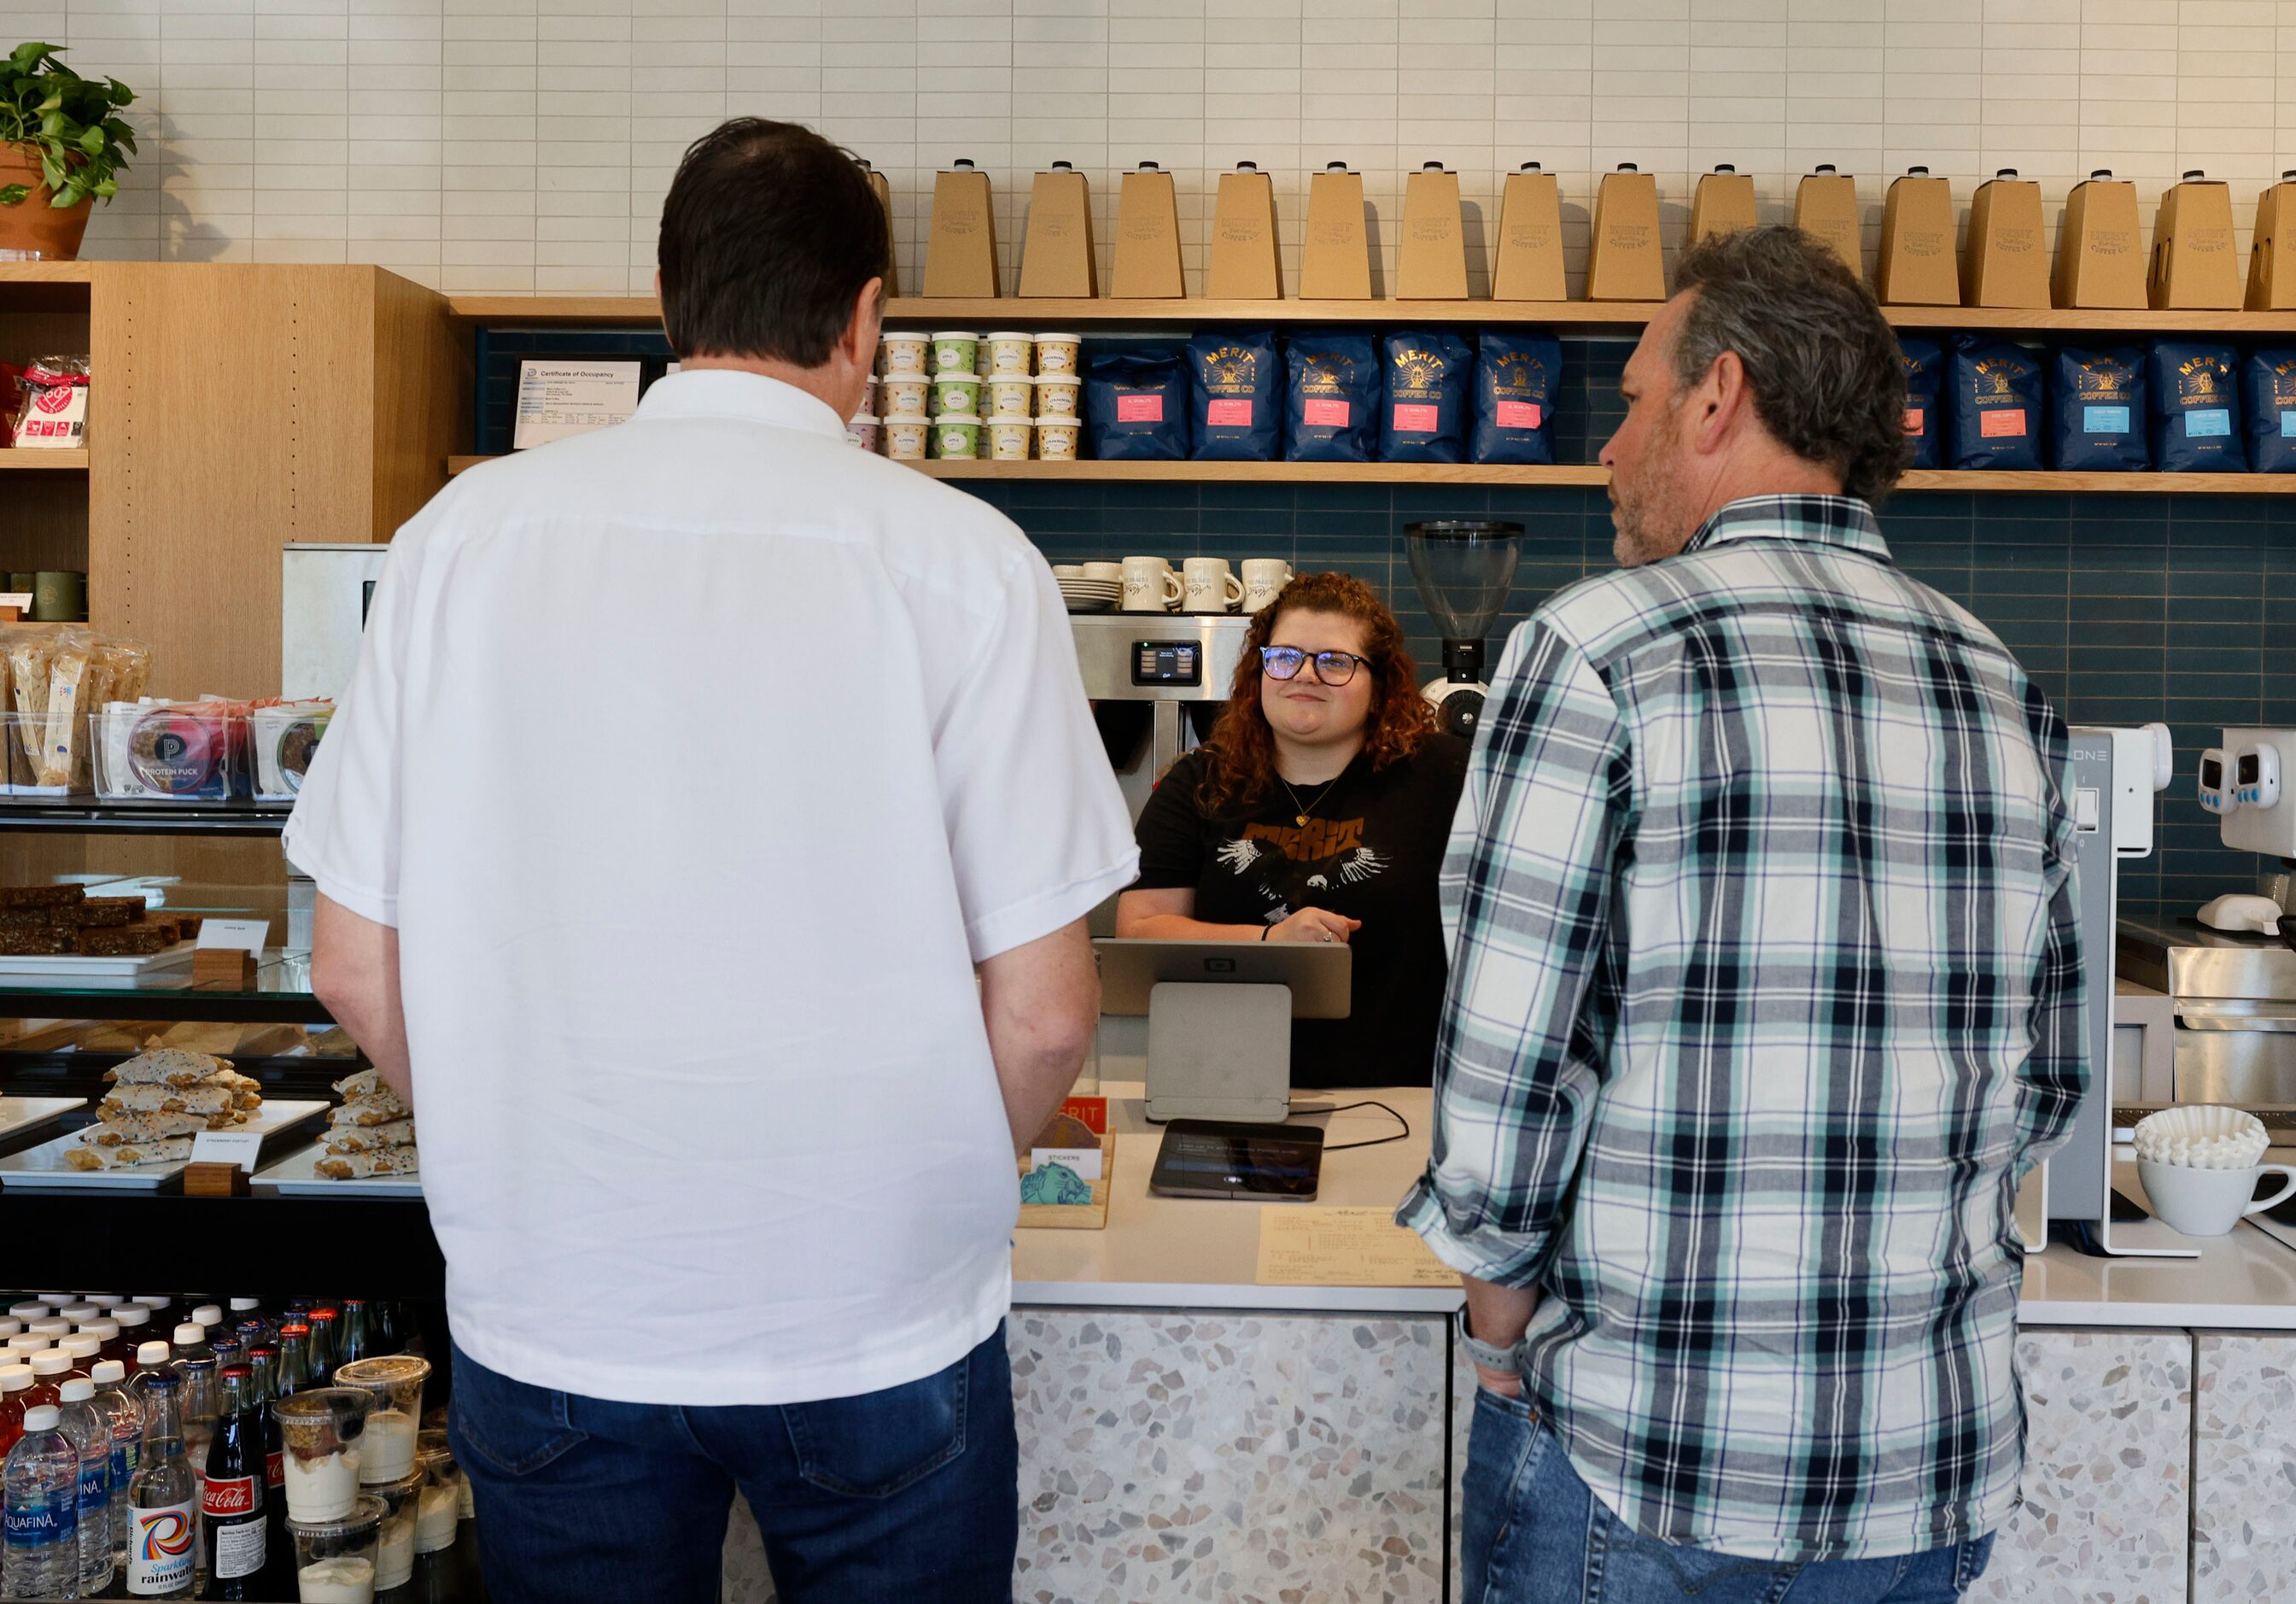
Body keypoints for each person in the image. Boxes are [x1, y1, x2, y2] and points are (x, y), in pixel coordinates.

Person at [286, 119, 1134, 1603]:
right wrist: (920, 1182)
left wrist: (524, 1146)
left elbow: (354, 961)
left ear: (668, 302)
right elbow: (1049, 1010)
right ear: (867, 315)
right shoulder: (962, 558)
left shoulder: (460, 540)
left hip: (553, 1310)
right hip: (878, 1322)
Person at [1400, 225, 2085, 1602]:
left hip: (1644, 1457)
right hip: (1925, 1470)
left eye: (1637, 398)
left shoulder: (1597, 647)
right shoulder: (1997, 679)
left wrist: (1494, 1332)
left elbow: (1506, 1069)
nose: (1610, 444)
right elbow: (2048, 1082)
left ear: (1719, 396)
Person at [1117, 571, 1469, 1087]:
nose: (1304, 675)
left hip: (1406, 1094)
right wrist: (1270, 939)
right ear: (1259, 673)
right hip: (1224, 1088)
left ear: (1381, 687)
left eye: (1335, 662)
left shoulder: (1448, 778)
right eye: (1284, 657)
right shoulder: (1199, 783)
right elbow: (1140, 931)